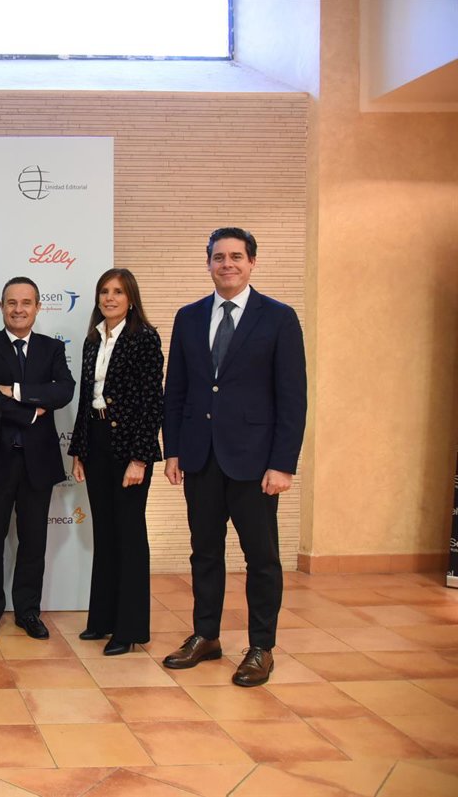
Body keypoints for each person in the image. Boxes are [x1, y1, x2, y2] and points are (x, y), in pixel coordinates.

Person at [161, 227, 307, 687]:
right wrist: (173, 450)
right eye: (219, 257)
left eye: (236, 256)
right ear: (208, 263)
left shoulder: (279, 318)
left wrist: (282, 464)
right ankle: (206, 636)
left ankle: (261, 646)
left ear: (252, 263)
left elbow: (292, 397)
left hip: (255, 462)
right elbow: (176, 389)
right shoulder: (188, 317)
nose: (227, 264)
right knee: (204, 553)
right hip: (200, 457)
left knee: (261, 558)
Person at [68, 269, 164, 655]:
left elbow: (152, 402)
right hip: (96, 440)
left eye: (118, 292)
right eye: (104, 291)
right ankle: (103, 620)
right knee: (105, 534)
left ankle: (129, 629)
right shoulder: (93, 339)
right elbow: (85, 398)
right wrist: (79, 450)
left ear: (131, 298)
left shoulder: (144, 338)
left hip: (129, 447)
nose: (110, 298)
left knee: (129, 534)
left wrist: (140, 458)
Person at [0, 276, 74, 643]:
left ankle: (28, 611)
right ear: (1, 307)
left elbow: (63, 391)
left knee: (34, 542)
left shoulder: (51, 348)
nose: (18, 309)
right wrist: (32, 411)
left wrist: (15, 390)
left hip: (38, 462)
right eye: (12, 303)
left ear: (37, 307)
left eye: (26, 302)